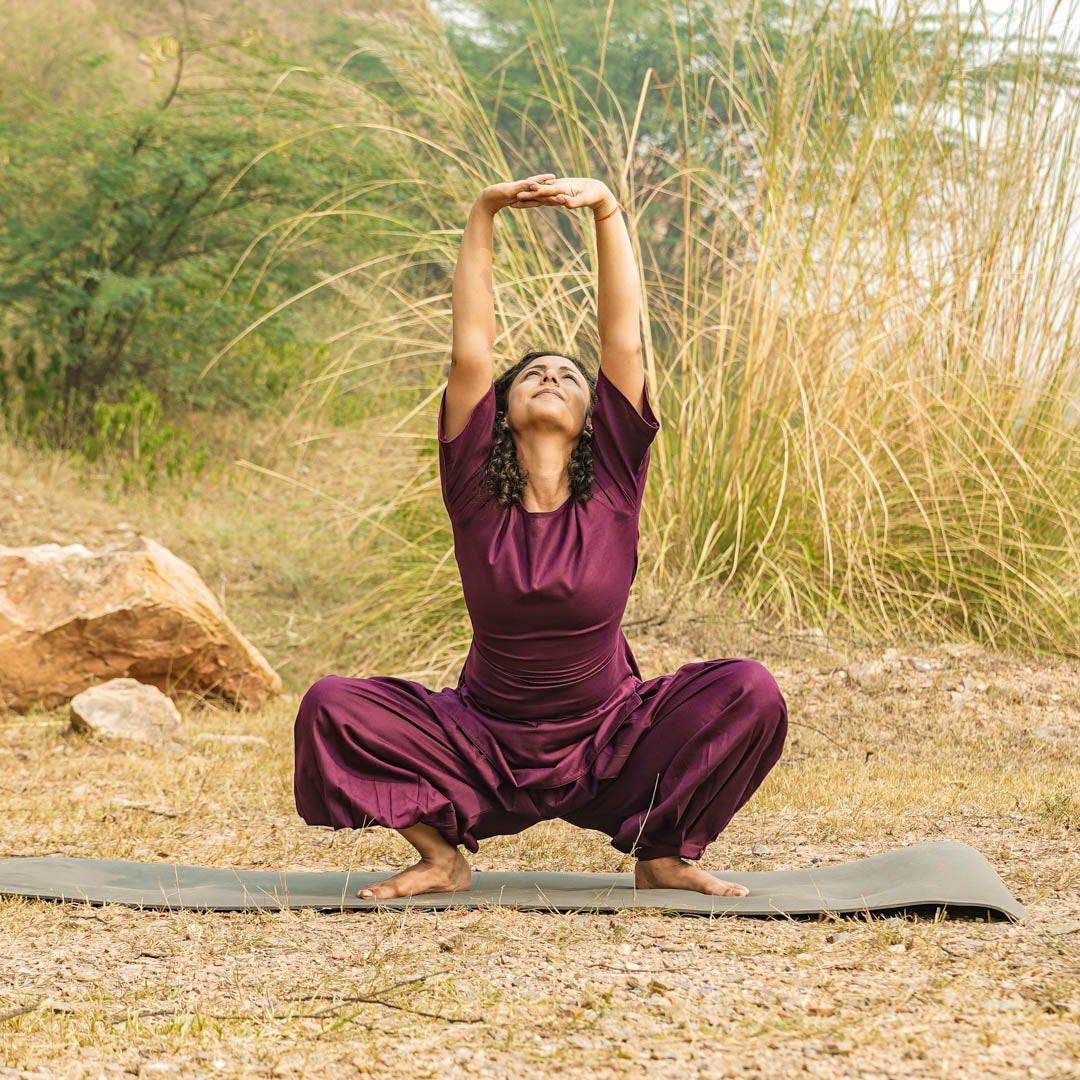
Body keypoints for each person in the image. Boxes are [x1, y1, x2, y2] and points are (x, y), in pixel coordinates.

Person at [293, 173, 788, 900]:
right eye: (532, 374)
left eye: (566, 375)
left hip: (612, 739)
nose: (550, 375)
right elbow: (470, 350)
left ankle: (664, 851)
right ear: (501, 409)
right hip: (482, 742)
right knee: (330, 703)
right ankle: (442, 857)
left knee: (752, 689)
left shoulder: (616, 482)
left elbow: (623, 341)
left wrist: (607, 211)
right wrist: (484, 211)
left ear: (594, 416)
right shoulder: (473, 493)